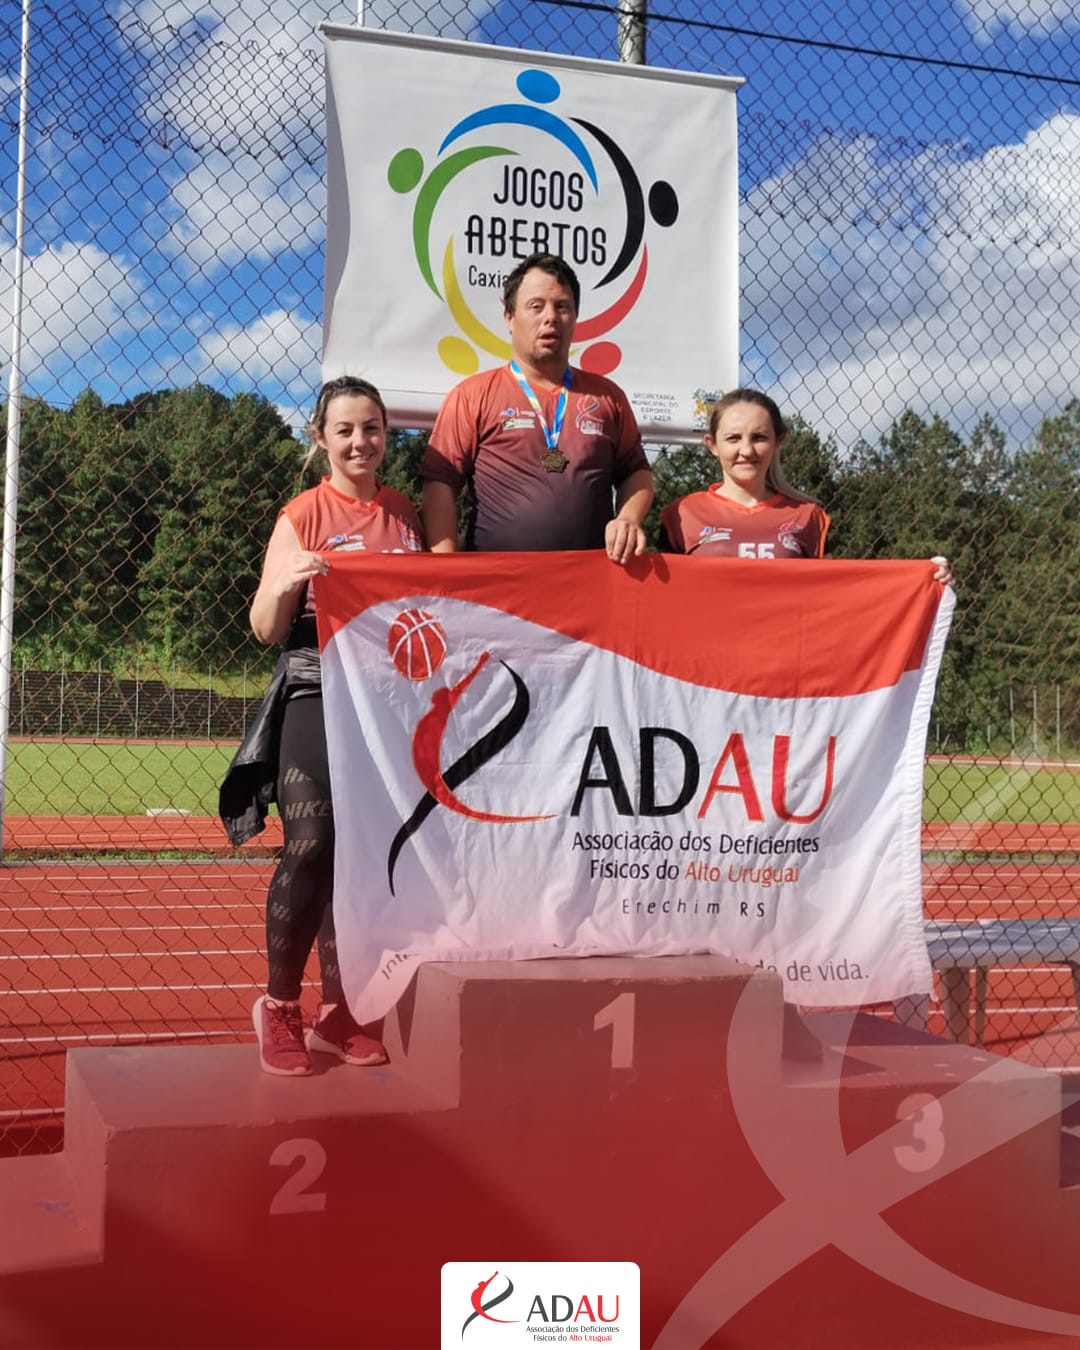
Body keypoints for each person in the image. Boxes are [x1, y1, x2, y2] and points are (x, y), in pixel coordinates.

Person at [659, 388, 952, 1060]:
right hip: (704, 711)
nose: (746, 450)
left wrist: (919, 580)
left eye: (759, 437)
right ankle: (698, 1013)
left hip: (780, 712)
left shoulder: (808, 518)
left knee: (774, 858)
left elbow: (831, 602)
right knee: (704, 856)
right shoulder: (682, 515)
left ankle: (778, 1011)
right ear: (711, 444)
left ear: (779, 443)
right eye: (733, 437)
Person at [221, 376, 426, 1076]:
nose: (360, 441)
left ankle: (342, 1011)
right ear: (321, 438)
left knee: (365, 854)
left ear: (385, 433)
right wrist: (288, 581)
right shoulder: (303, 513)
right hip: (316, 686)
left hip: (388, 699)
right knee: (313, 841)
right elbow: (263, 626)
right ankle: (280, 1006)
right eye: (345, 430)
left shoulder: (404, 513)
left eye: (372, 428)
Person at [421, 252, 653, 560]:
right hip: (498, 581)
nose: (550, 317)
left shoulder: (608, 397)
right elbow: (440, 482)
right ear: (509, 316)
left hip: (591, 579)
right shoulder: (472, 395)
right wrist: (446, 567)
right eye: (536, 306)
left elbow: (636, 472)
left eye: (562, 307)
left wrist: (628, 519)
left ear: (575, 317)